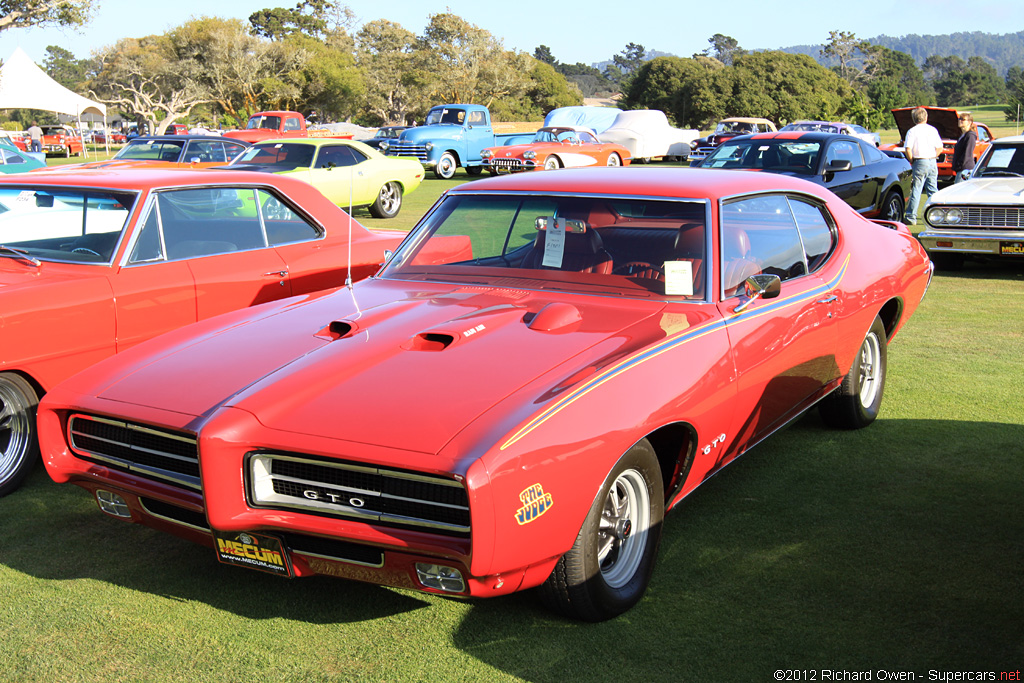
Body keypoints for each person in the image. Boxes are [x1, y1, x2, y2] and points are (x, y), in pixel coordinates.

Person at [903, 107, 943, 225]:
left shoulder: (912, 131)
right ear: (926, 117)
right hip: (932, 160)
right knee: (933, 189)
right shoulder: (933, 130)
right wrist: (932, 156)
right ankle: (939, 214)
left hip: (920, 161)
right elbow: (940, 148)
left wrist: (912, 160)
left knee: (917, 189)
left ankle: (911, 217)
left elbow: (908, 149)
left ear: (914, 119)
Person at [951, 112, 977, 183]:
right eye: (959, 119)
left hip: (965, 169)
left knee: (958, 192)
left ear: (969, 122)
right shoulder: (963, 135)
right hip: (960, 169)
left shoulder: (970, 136)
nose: (960, 120)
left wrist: (960, 166)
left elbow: (967, 154)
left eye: (963, 119)